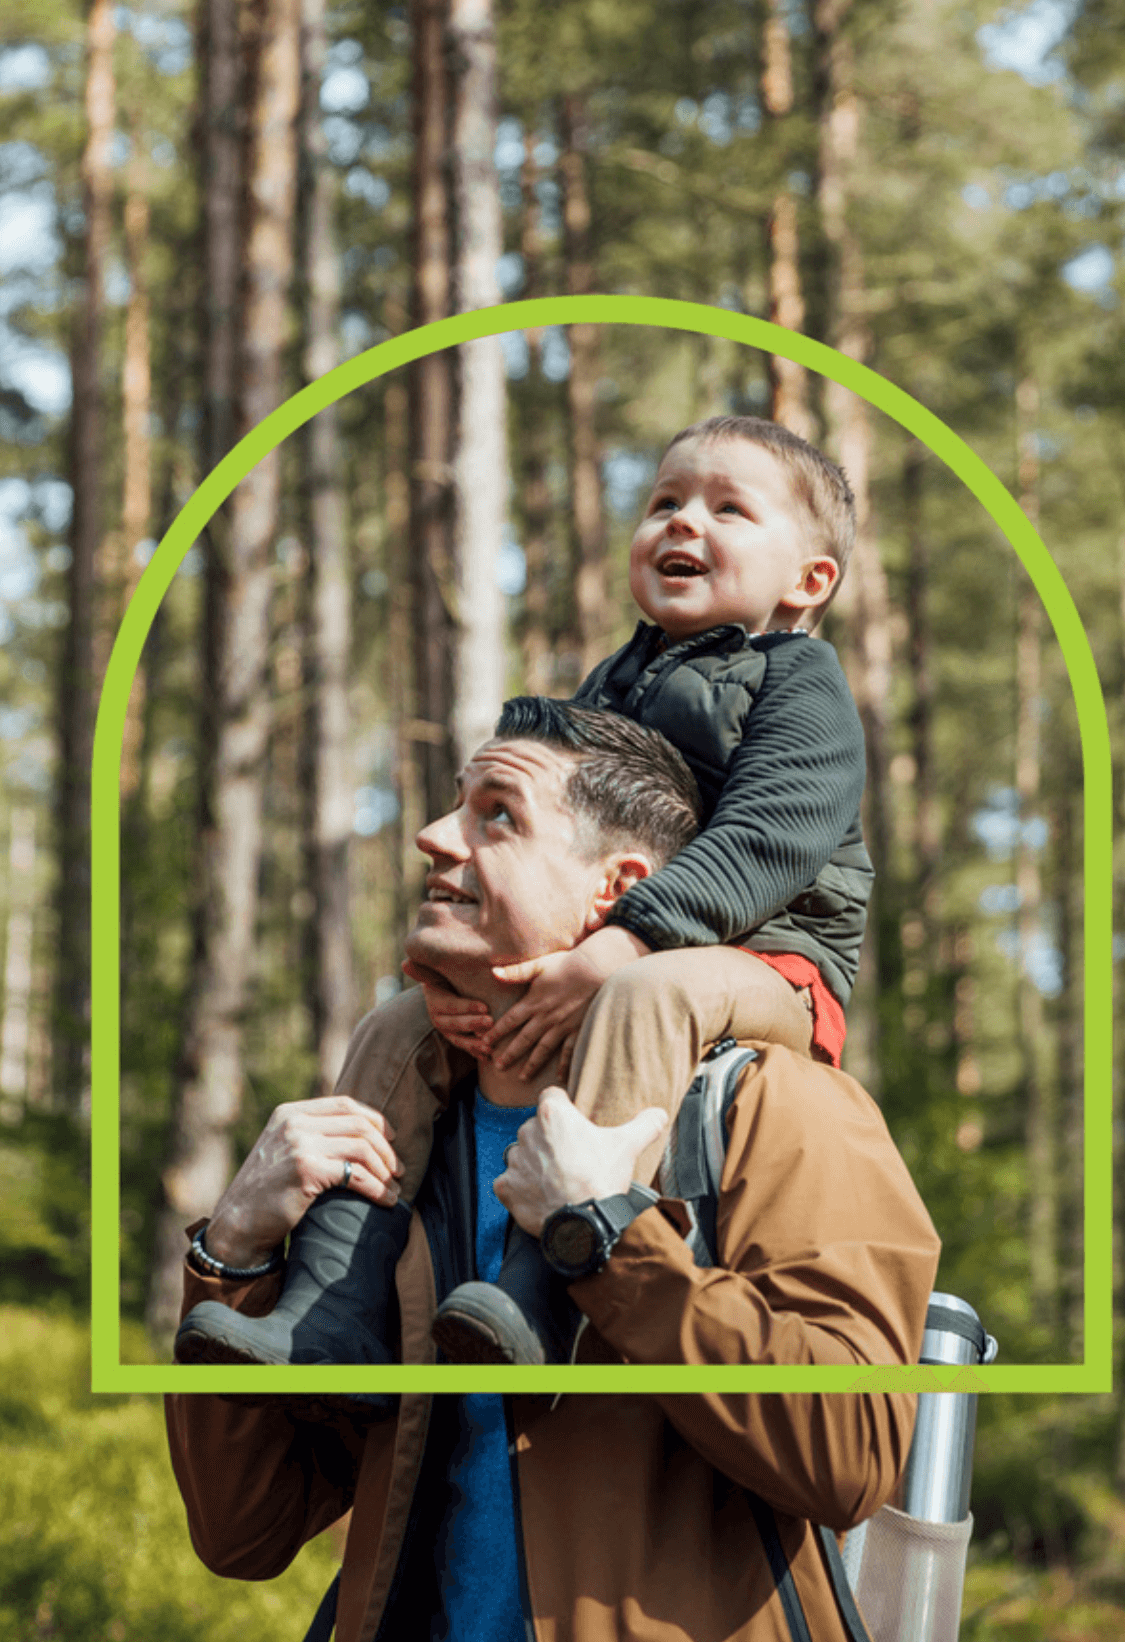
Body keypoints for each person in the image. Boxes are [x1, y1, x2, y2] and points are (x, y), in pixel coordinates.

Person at [165, 704, 940, 1642]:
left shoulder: (772, 1110)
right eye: (456, 805)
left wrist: (610, 1238)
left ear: (618, 890)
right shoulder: (402, 1134)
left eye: (498, 815)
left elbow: (851, 1457)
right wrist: (235, 1250)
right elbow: (244, 1531)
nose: (433, 837)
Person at [175, 410, 874, 1371]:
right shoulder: (612, 685)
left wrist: (630, 937)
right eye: (664, 501)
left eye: (727, 508)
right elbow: (548, 851)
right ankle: (332, 1308)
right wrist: (454, 978)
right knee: (398, 1025)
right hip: (635, 934)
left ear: (810, 581)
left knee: (645, 994)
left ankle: (547, 1289)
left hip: (775, 956)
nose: (681, 523)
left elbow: (771, 835)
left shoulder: (803, 684)